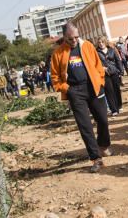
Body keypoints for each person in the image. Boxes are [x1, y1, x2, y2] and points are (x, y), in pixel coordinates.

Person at [49, 24, 111, 172]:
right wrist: (67, 89)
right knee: (85, 126)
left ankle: (103, 145)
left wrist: (100, 81)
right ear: (64, 37)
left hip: (94, 87)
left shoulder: (87, 46)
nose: (75, 40)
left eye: (76, 37)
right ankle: (96, 158)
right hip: (75, 92)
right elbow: (55, 77)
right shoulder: (58, 53)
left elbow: (98, 65)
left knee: (103, 119)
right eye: (71, 39)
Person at [97, 36, 124, 116]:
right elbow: (94, 63)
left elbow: (118, 60)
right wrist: (101, 68)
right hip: (104, 74)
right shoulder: (96, 52)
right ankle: (113, 109)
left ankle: (119, 105)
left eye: (102, 42)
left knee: (116, 90)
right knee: (109, 92)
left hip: (114, 72)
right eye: (99, 42)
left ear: (105, 42)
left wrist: (121, 71)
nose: (101, 44)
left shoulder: (112, 50)